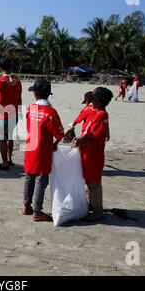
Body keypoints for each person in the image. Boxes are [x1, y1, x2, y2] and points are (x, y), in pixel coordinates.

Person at [22, 80, 65, 222]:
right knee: (41, 180)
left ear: (35, 94)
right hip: (42, 151)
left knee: (29, 177)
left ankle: (26, 206)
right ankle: (37, 211)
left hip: (30, 149)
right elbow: (59, 134)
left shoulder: (30, 109)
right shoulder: (51, 112)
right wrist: (55, 144)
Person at [72, 87, 113, 221]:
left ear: (100, 101)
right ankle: (90, 204)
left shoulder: (101, 115)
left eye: (93, 99)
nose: (91, 101)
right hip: (88, 153)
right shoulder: (96, 112)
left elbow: (91, 134)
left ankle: (97, 210)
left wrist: (80, 141)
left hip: (93, 155)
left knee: (94, 182)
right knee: (87, 180)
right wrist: (79, 139)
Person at [0, 57, 22, 171]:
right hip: (14, 112)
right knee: (10, 136)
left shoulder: (0, 81)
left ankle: (4, 163)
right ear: (11, 67)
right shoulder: (17, 81)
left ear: (0, 68)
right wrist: (19, 111)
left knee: (2, 139)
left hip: (3, 114)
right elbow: (19, 98)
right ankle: (9, 159)